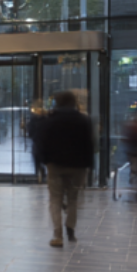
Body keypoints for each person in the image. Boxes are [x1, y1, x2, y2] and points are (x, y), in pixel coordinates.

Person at [31, 90, 94, 247]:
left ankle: (57, 234)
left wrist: (42, 162)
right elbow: (89, 144)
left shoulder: (49, 120)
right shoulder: (83, 120)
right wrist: (89, 164)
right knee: (73, 198)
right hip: (77, 166)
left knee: (55, 199)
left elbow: (40, 142)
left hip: (55, 165)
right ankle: (70, 228)